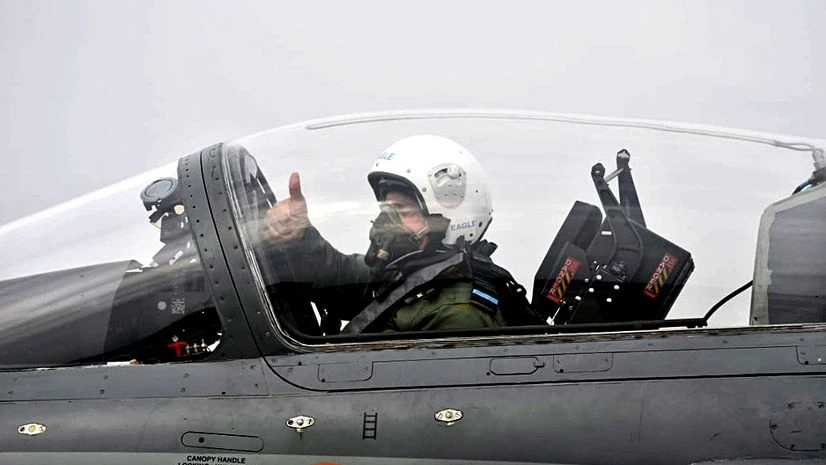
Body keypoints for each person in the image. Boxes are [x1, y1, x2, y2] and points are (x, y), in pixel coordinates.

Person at [263, 134, 541, 334]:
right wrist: (299, 237)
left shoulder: (459, 314)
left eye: (402, 211)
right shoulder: (409, 277)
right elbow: (339, 275)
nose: (386, 221)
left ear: (451, 220)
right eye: (386, 208)